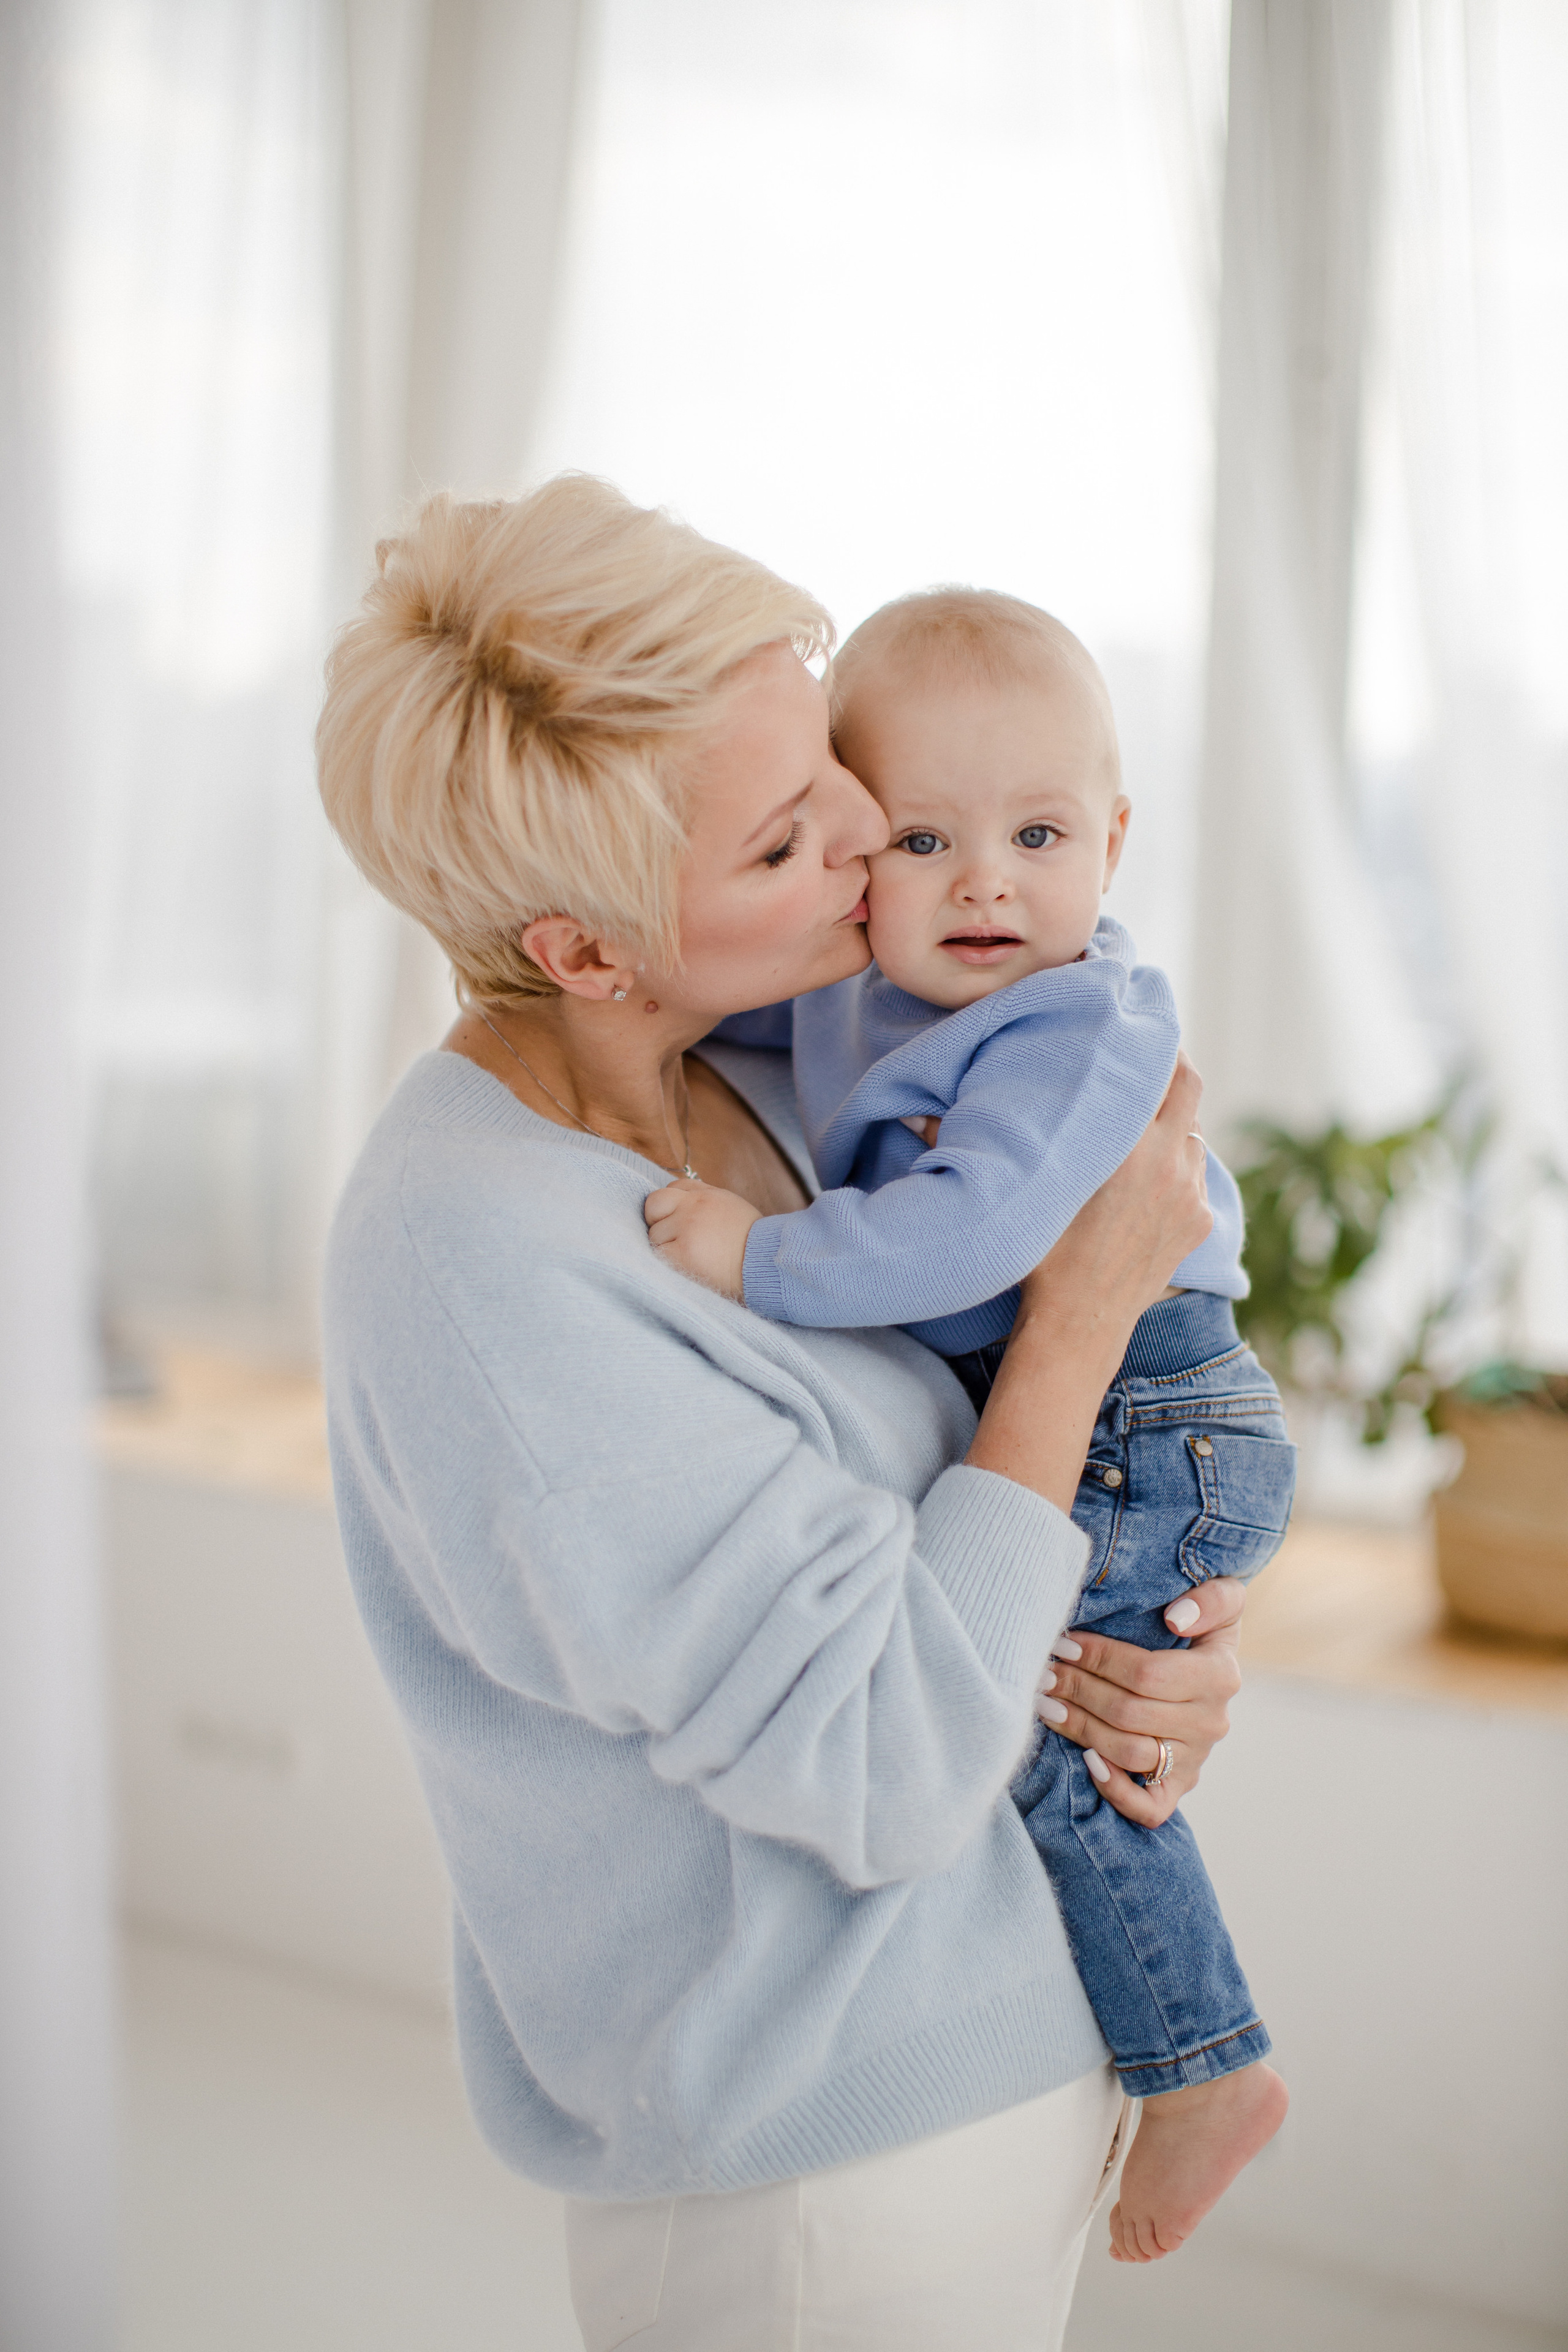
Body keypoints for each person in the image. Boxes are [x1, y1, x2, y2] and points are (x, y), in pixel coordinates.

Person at [315, 477, 1247, 2350]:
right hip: (828, 2184)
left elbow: (954, 1547)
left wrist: (1147, 1651)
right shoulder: (483, 1273)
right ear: (583, 949)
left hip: (1001, 2066)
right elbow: (892, 1762)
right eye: (779, 846)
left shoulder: (758, 1073)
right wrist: (1077, 1325)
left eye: (827, 764)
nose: (867, 848)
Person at [646, 587, 1295, 2264]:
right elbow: (702, 1016)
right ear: (857, 852)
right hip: (1099, 1412)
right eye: (924, 836)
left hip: (1159, 1408)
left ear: (1115, 841)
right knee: (1055, 1719)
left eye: (1039, 833)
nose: (986, 881)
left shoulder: (1079, 1024)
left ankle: (1205, 2065)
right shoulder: (870, 983)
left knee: (1061, 1750)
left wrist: (758, 1251)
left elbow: (973, 1234)